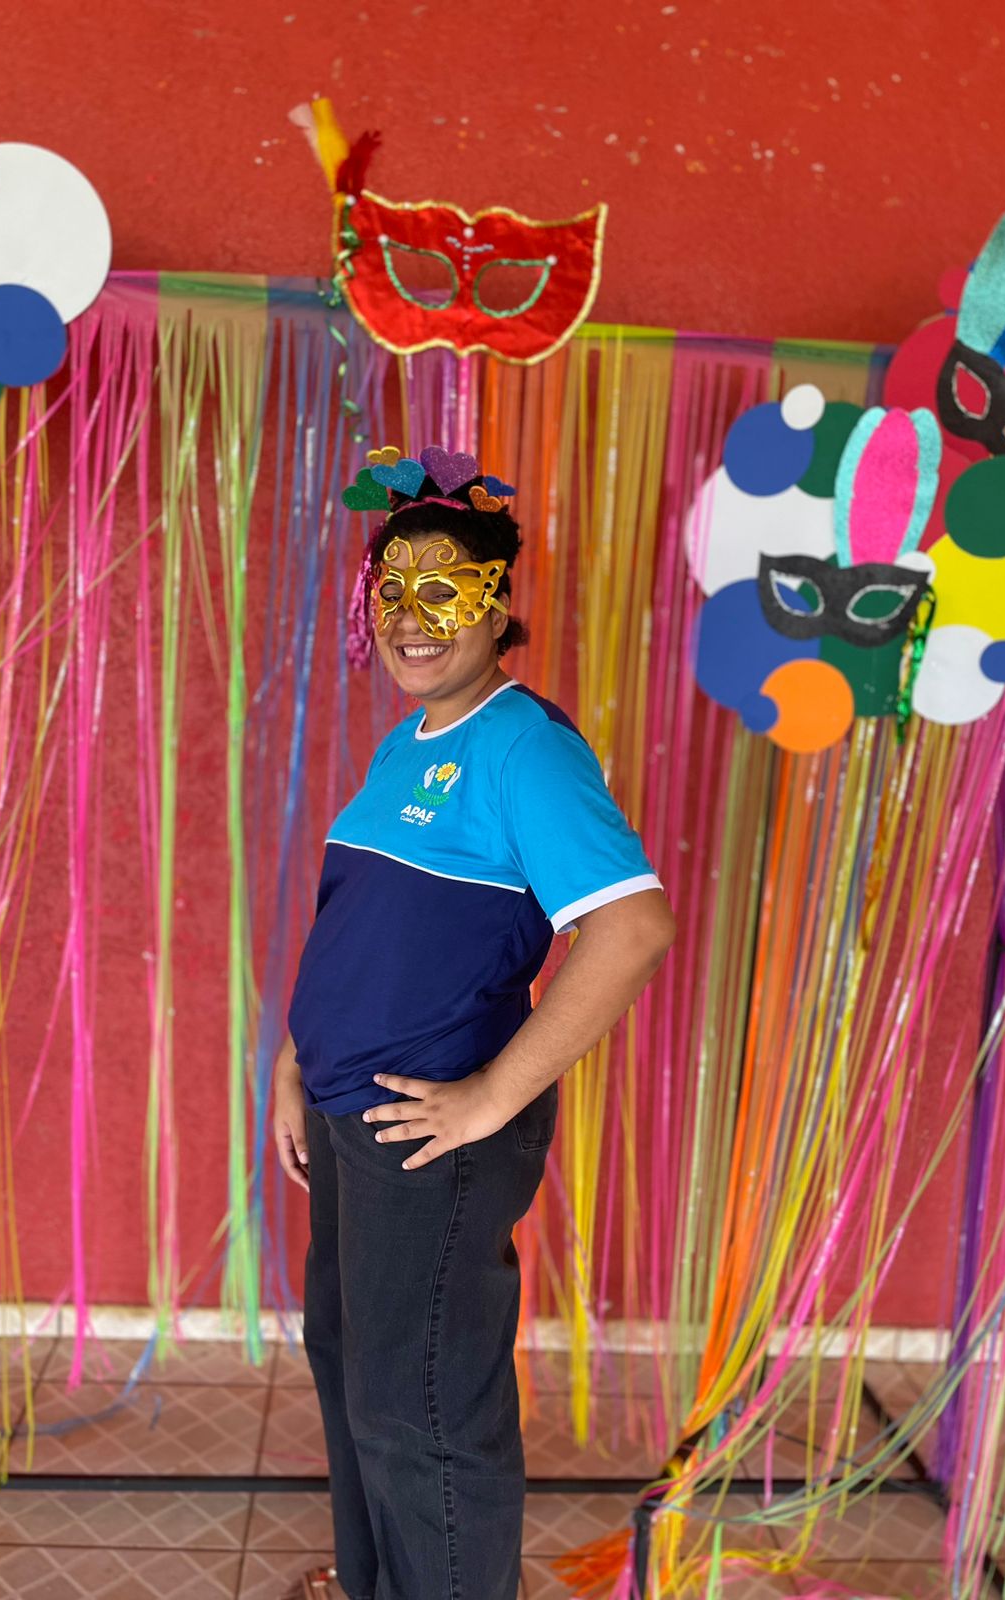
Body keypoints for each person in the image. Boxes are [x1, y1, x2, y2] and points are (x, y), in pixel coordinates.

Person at [273, 447, 676, 1600]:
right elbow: (367, 926)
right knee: (355, 1369)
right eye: (392, 591)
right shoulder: (408, 743)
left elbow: (634, 928)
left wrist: (494, 1094)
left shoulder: (523, 746)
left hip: (429, 1128)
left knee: (424, 1408)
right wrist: (298, 1061)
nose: (412, 618)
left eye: (443, 590)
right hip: (352, 1111)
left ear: (498, 607)